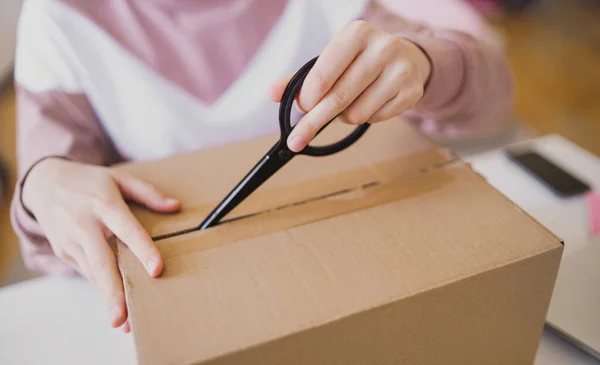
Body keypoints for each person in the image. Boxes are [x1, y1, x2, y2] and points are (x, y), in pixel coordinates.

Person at [10, 0, 514, 334]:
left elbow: (493, 99)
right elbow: (53, 235)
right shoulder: (58, 18)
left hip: (356, 292)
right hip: (200, 316)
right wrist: (43, 186)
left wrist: (426, 65)